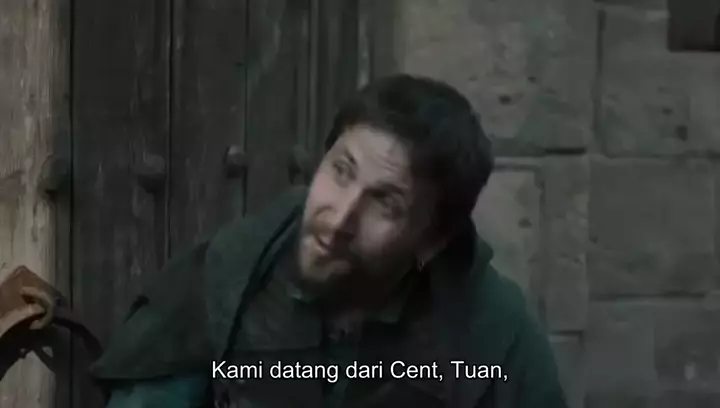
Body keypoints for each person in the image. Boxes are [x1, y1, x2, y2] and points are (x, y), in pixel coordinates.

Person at [90, 74, 567, 408]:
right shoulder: (238, 270)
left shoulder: (492, 332)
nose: (338, 219)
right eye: (341, 171)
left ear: (433, 239)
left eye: (385, 203)